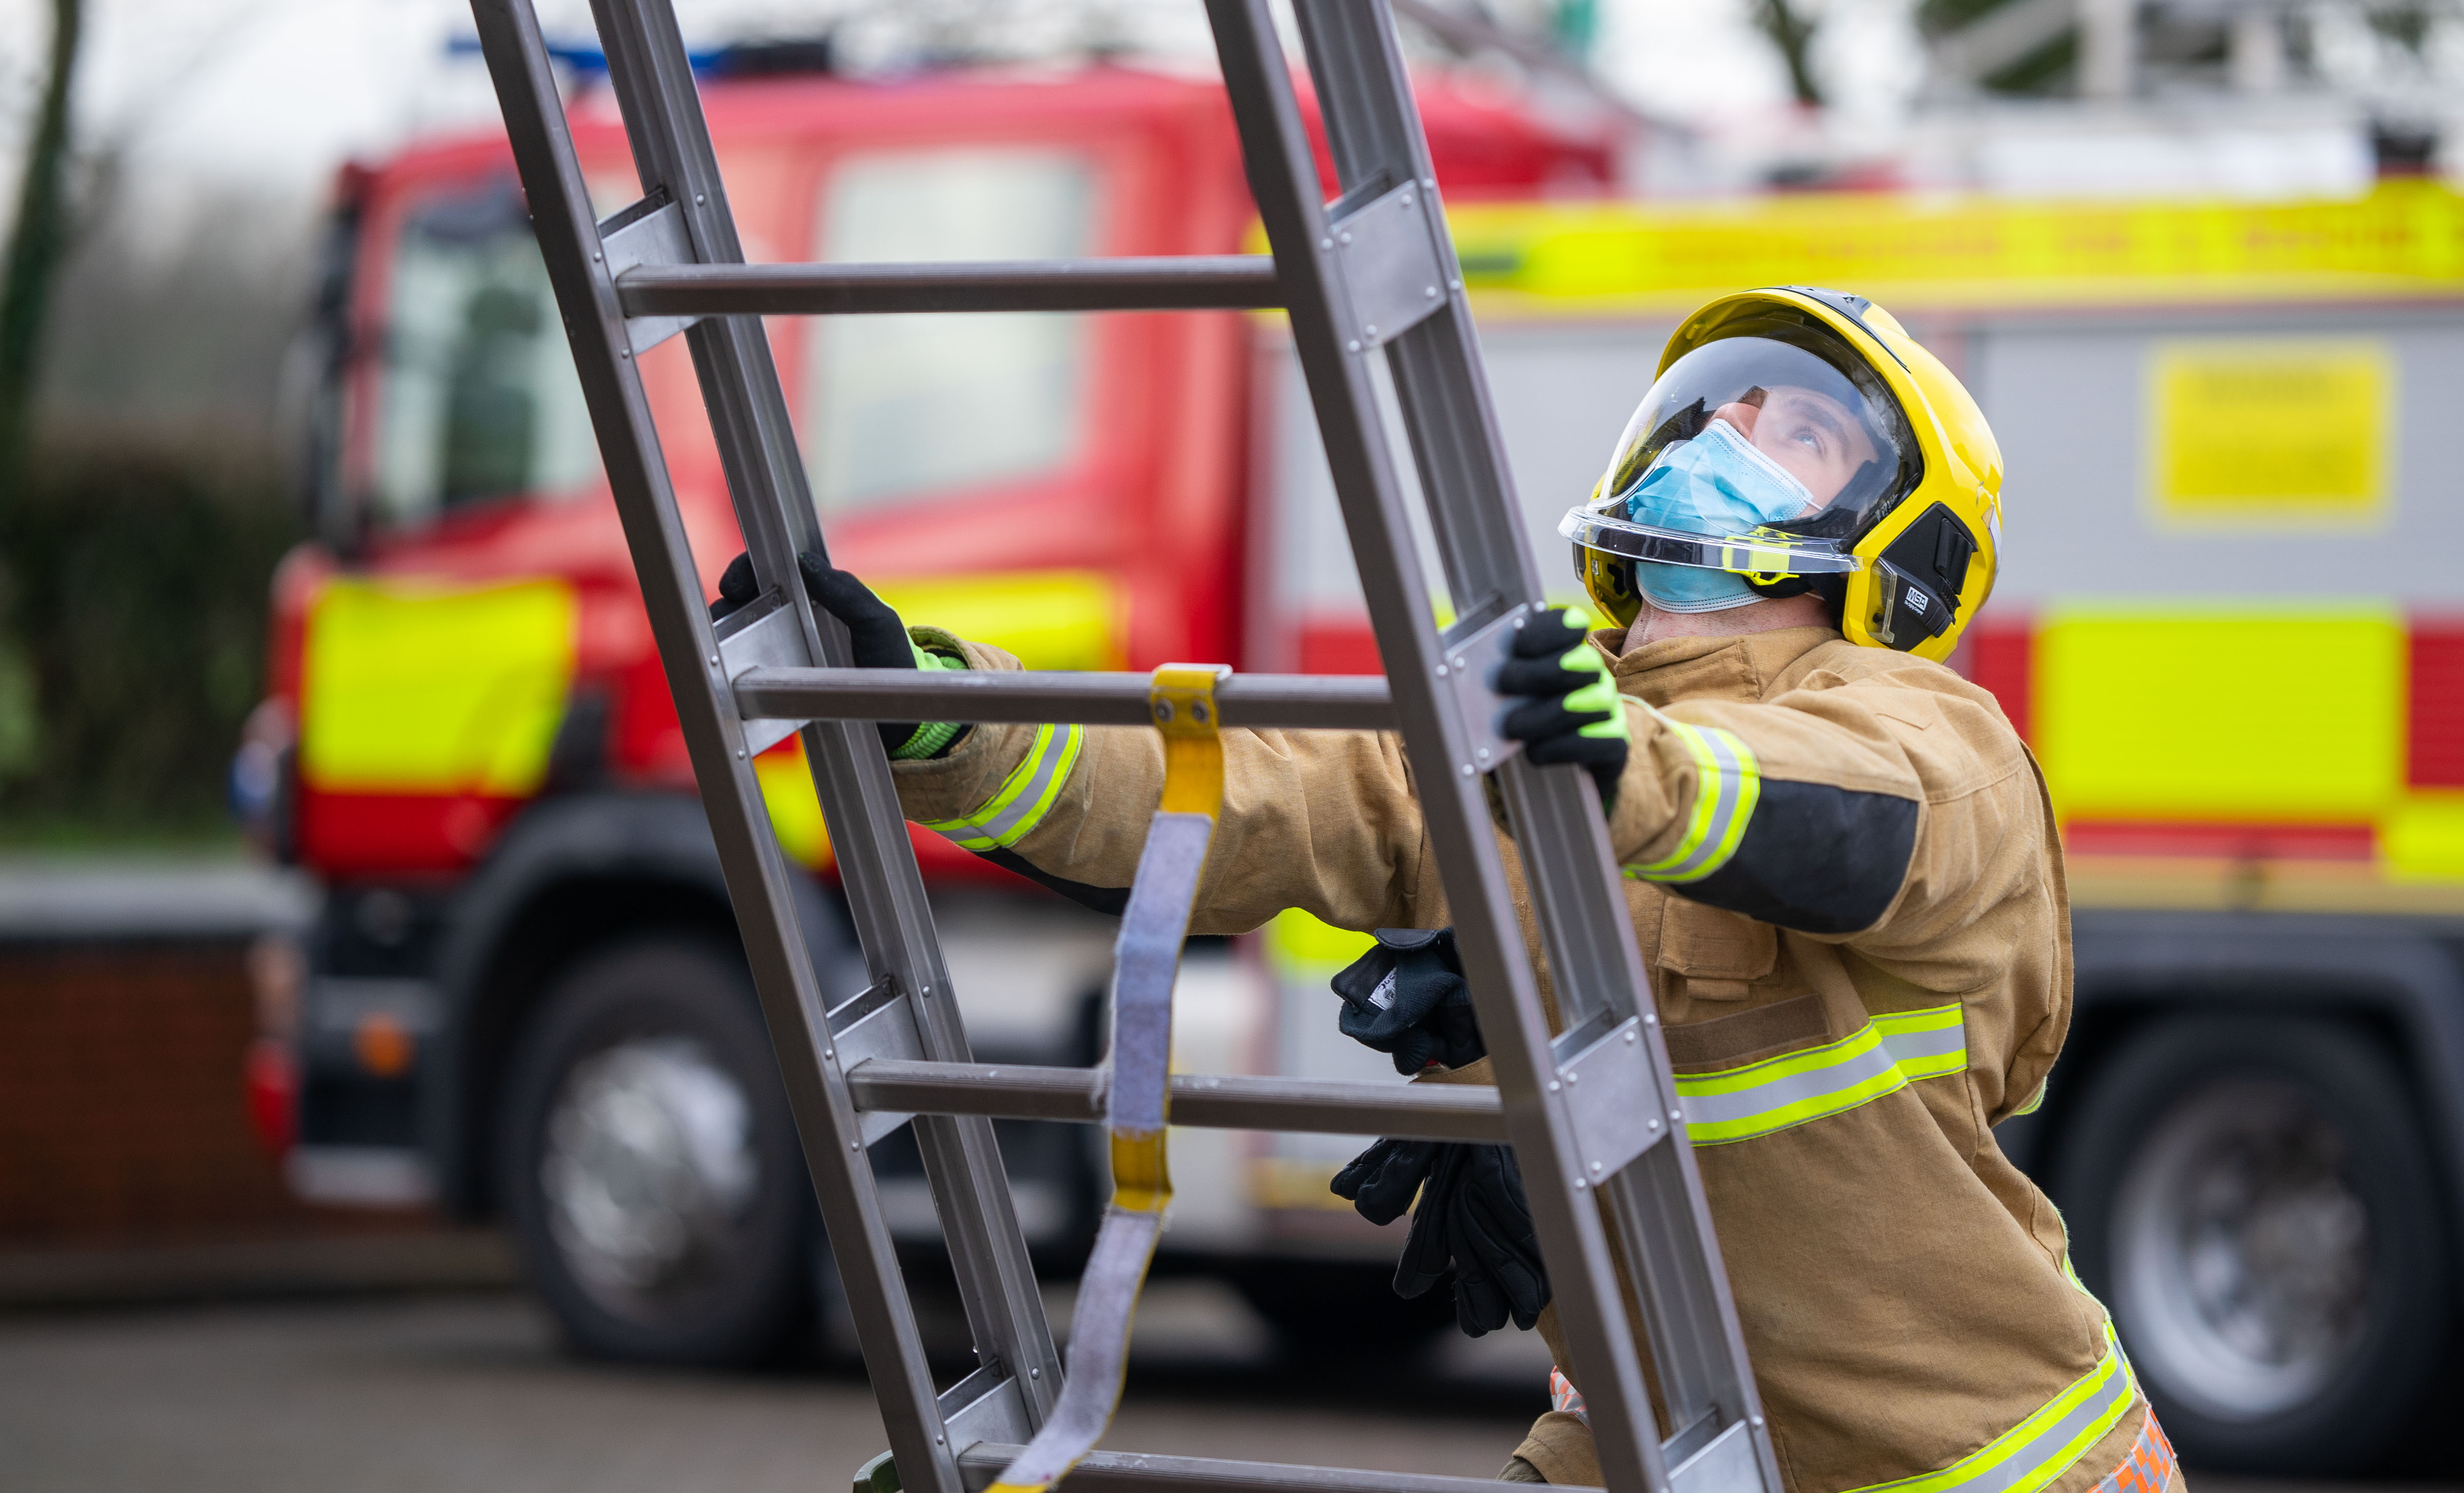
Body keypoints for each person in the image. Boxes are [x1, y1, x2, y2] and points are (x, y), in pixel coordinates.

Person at [725, 287, 2177, 1493]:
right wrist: (940, 715)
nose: (1731, 435)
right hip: (1665, 1441)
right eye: (1722, 408)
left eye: (1800, 432)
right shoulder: (1546, 713)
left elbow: (1833, 818)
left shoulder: (1927, 730)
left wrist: (1615, 778)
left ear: (1899, 545)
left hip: (1992, 1465)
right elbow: (1264, 788)